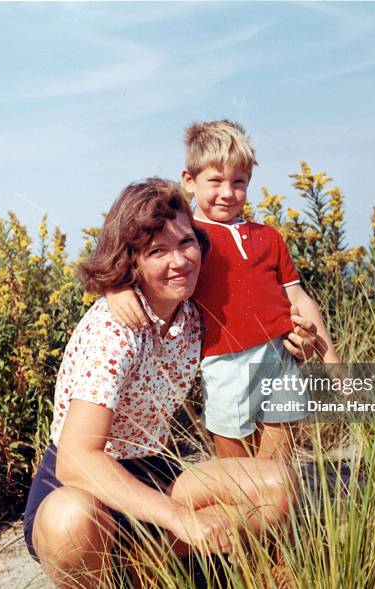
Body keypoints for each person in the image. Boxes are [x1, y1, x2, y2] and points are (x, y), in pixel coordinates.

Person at [23, 178, 298, 588]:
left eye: (186, 243)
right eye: (157, 252)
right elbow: (77, 459)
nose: (179, 261)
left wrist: (295, 333)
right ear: (132, 262)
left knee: (278, 484)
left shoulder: (193, 311)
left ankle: (142, 568)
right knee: (70, 521)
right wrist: (180, 518)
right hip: (87, 486)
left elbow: (256, 298)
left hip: (157, 470)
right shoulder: (114, 327)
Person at [107, 120, 344, 462]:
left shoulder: (269, 237)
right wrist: (117, 290)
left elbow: (298, 297)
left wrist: (331, 358)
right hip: (226, 363)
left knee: (278, 470)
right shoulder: (185, 237)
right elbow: (141, 266)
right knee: (237, 475)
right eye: (215, 181)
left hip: (281, 357)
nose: (228, 193)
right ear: (189, 180)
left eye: (239, 182)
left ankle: (279, 517)